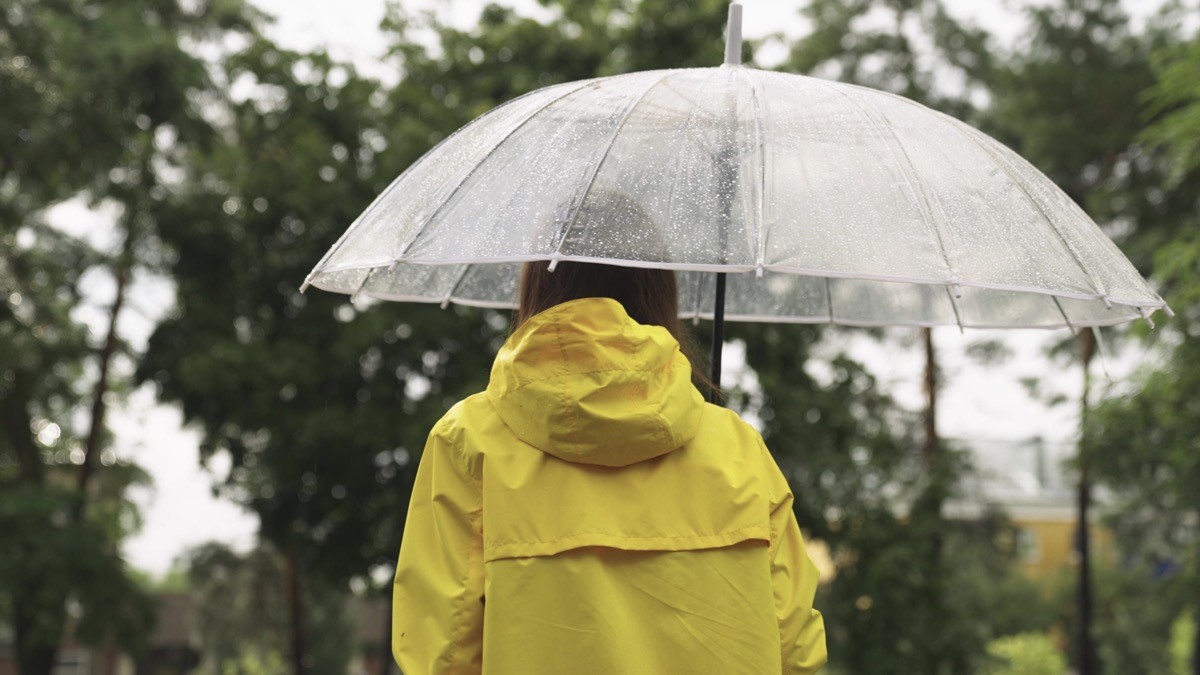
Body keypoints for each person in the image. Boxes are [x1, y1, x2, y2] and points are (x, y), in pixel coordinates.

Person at [392, 196, 827, 674]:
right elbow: (796, 653)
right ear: (658, 290)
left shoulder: (468, 443)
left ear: (538, 285)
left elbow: (442, 654)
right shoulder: (738, 449)